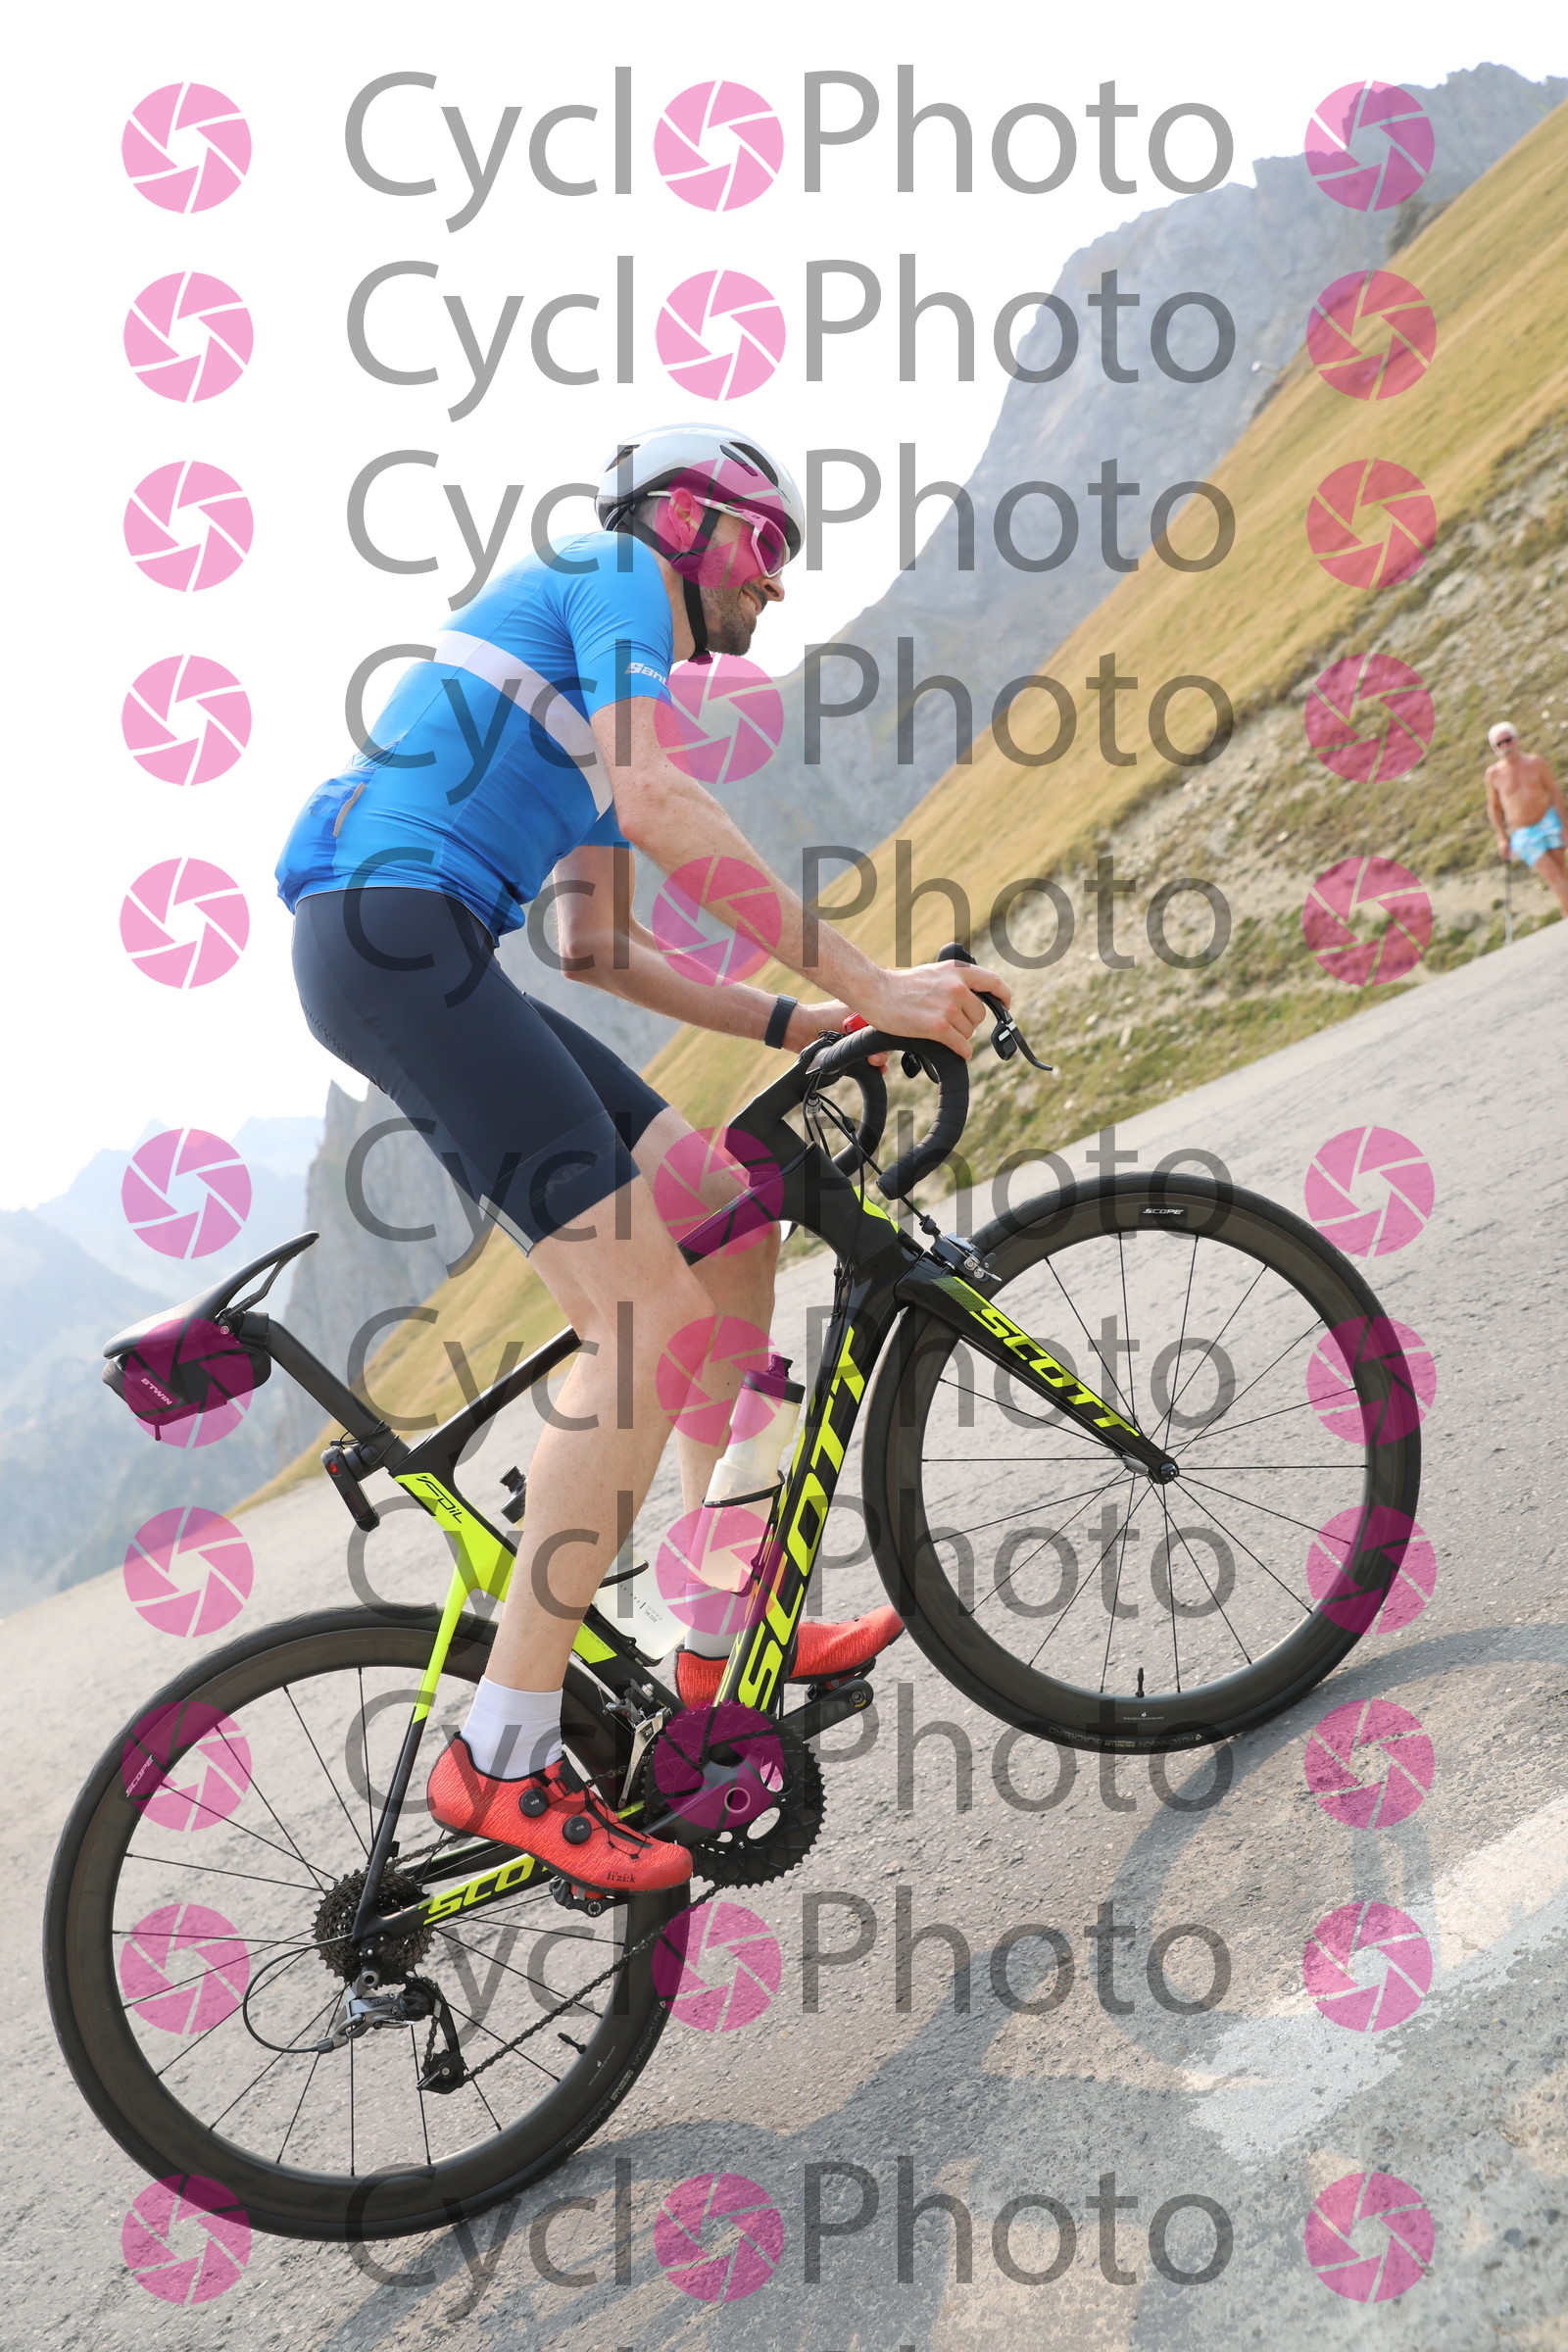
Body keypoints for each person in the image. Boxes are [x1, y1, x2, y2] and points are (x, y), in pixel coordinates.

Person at [275, 422, 1008, 1895]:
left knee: (728, 1221)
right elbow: (666, 805)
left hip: (413, 945)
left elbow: (598, 944)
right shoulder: (612, 572)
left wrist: (800, 1018)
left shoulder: (597, 680)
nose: (777, 581)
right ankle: (503, 1749)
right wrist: (876, 985)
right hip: (393, 938)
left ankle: (716, 1629)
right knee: (645, 1324)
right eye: (764, 541)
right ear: (680, 521)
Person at [1486, 718, 1568, 920]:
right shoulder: (1493, 774)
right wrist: (1502, 838)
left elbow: (1554, 793)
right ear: (1494, 748)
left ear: (1517, 739)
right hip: (1523, 833)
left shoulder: (1536, 762)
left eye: (1508, 740)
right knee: (1552, 875)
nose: (1505, 746)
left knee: (1561, 874)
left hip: (1548, 821)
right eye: (1499, 744)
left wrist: (1565, 825)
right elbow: (1494, 808)